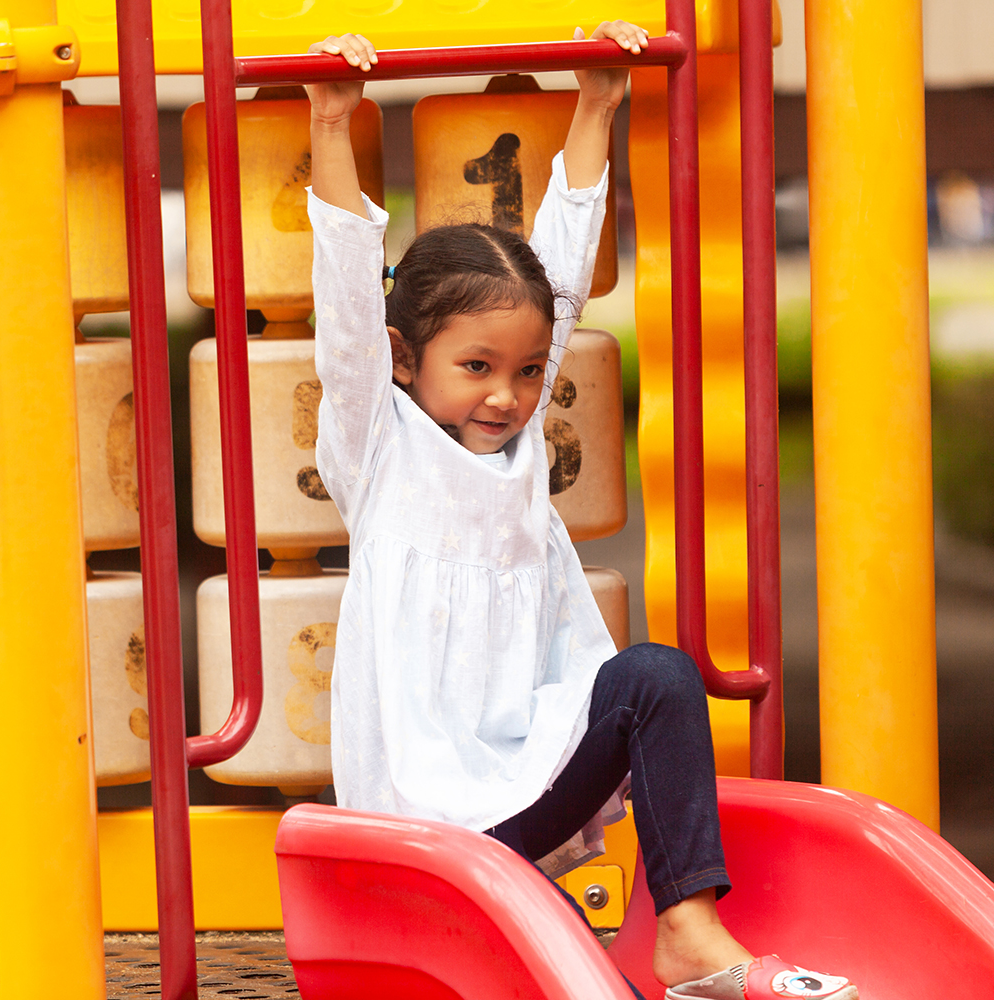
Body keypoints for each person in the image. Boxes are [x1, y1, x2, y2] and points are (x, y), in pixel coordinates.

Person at [305, 23, 858, 1000]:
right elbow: (347, 306)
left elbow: (557, 279)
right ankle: (608, 926)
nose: (506, 395)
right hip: (420, 819)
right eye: (473, 368)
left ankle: (686, 929)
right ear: (404, 362)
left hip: (526, 795)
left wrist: (597, 102)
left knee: (656, 676)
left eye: (524, 373)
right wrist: (334, 122)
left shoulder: (515, 452)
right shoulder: (378, 449)